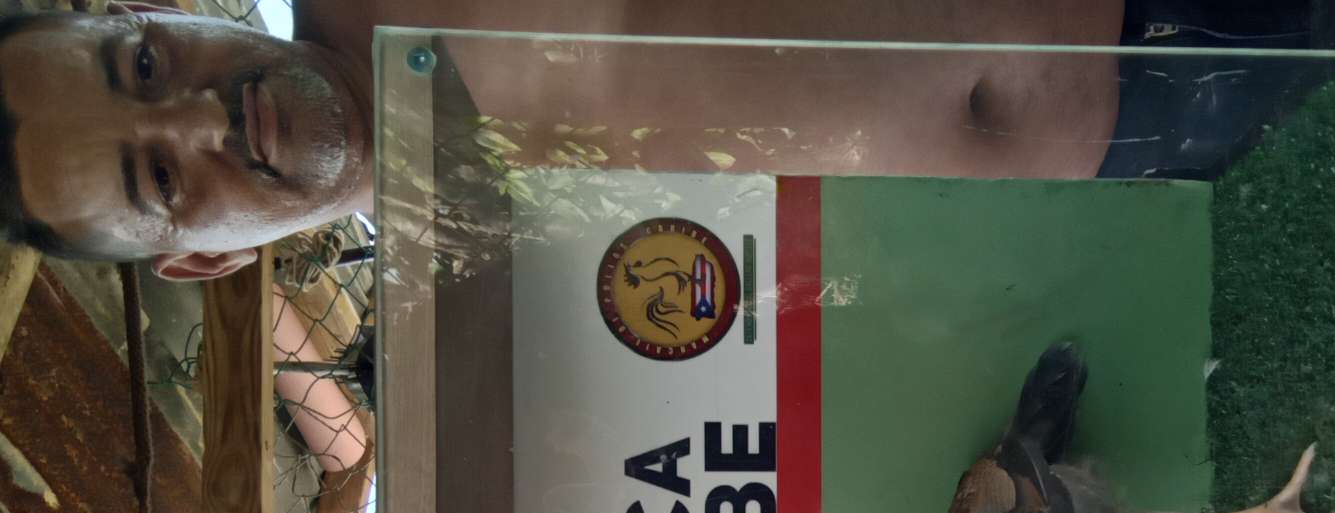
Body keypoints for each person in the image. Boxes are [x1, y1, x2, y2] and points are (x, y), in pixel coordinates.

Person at [2, 1, 1138, 279]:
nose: (203, 115)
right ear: (204, 257)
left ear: (158, 13)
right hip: (1127, 179)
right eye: (159, 175)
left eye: (141, 66)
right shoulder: (489, 305)